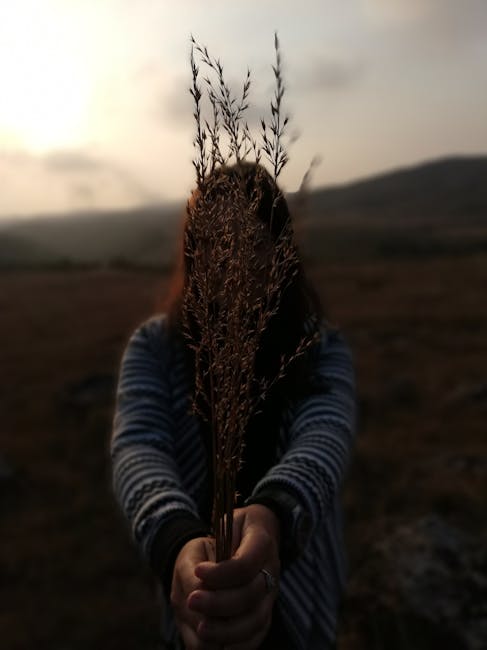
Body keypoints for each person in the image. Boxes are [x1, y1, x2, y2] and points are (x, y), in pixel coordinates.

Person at [110, 162, 357, 649]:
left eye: (250, 244)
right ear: (192, 253)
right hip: (200, 599)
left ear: (280, 251)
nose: (229, 263)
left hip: (299, 606)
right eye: (212, 244)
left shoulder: (320, 348)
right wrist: (175, 539)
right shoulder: (155, 347)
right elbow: (138, 446)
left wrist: (274, 514)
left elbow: (325, 434)